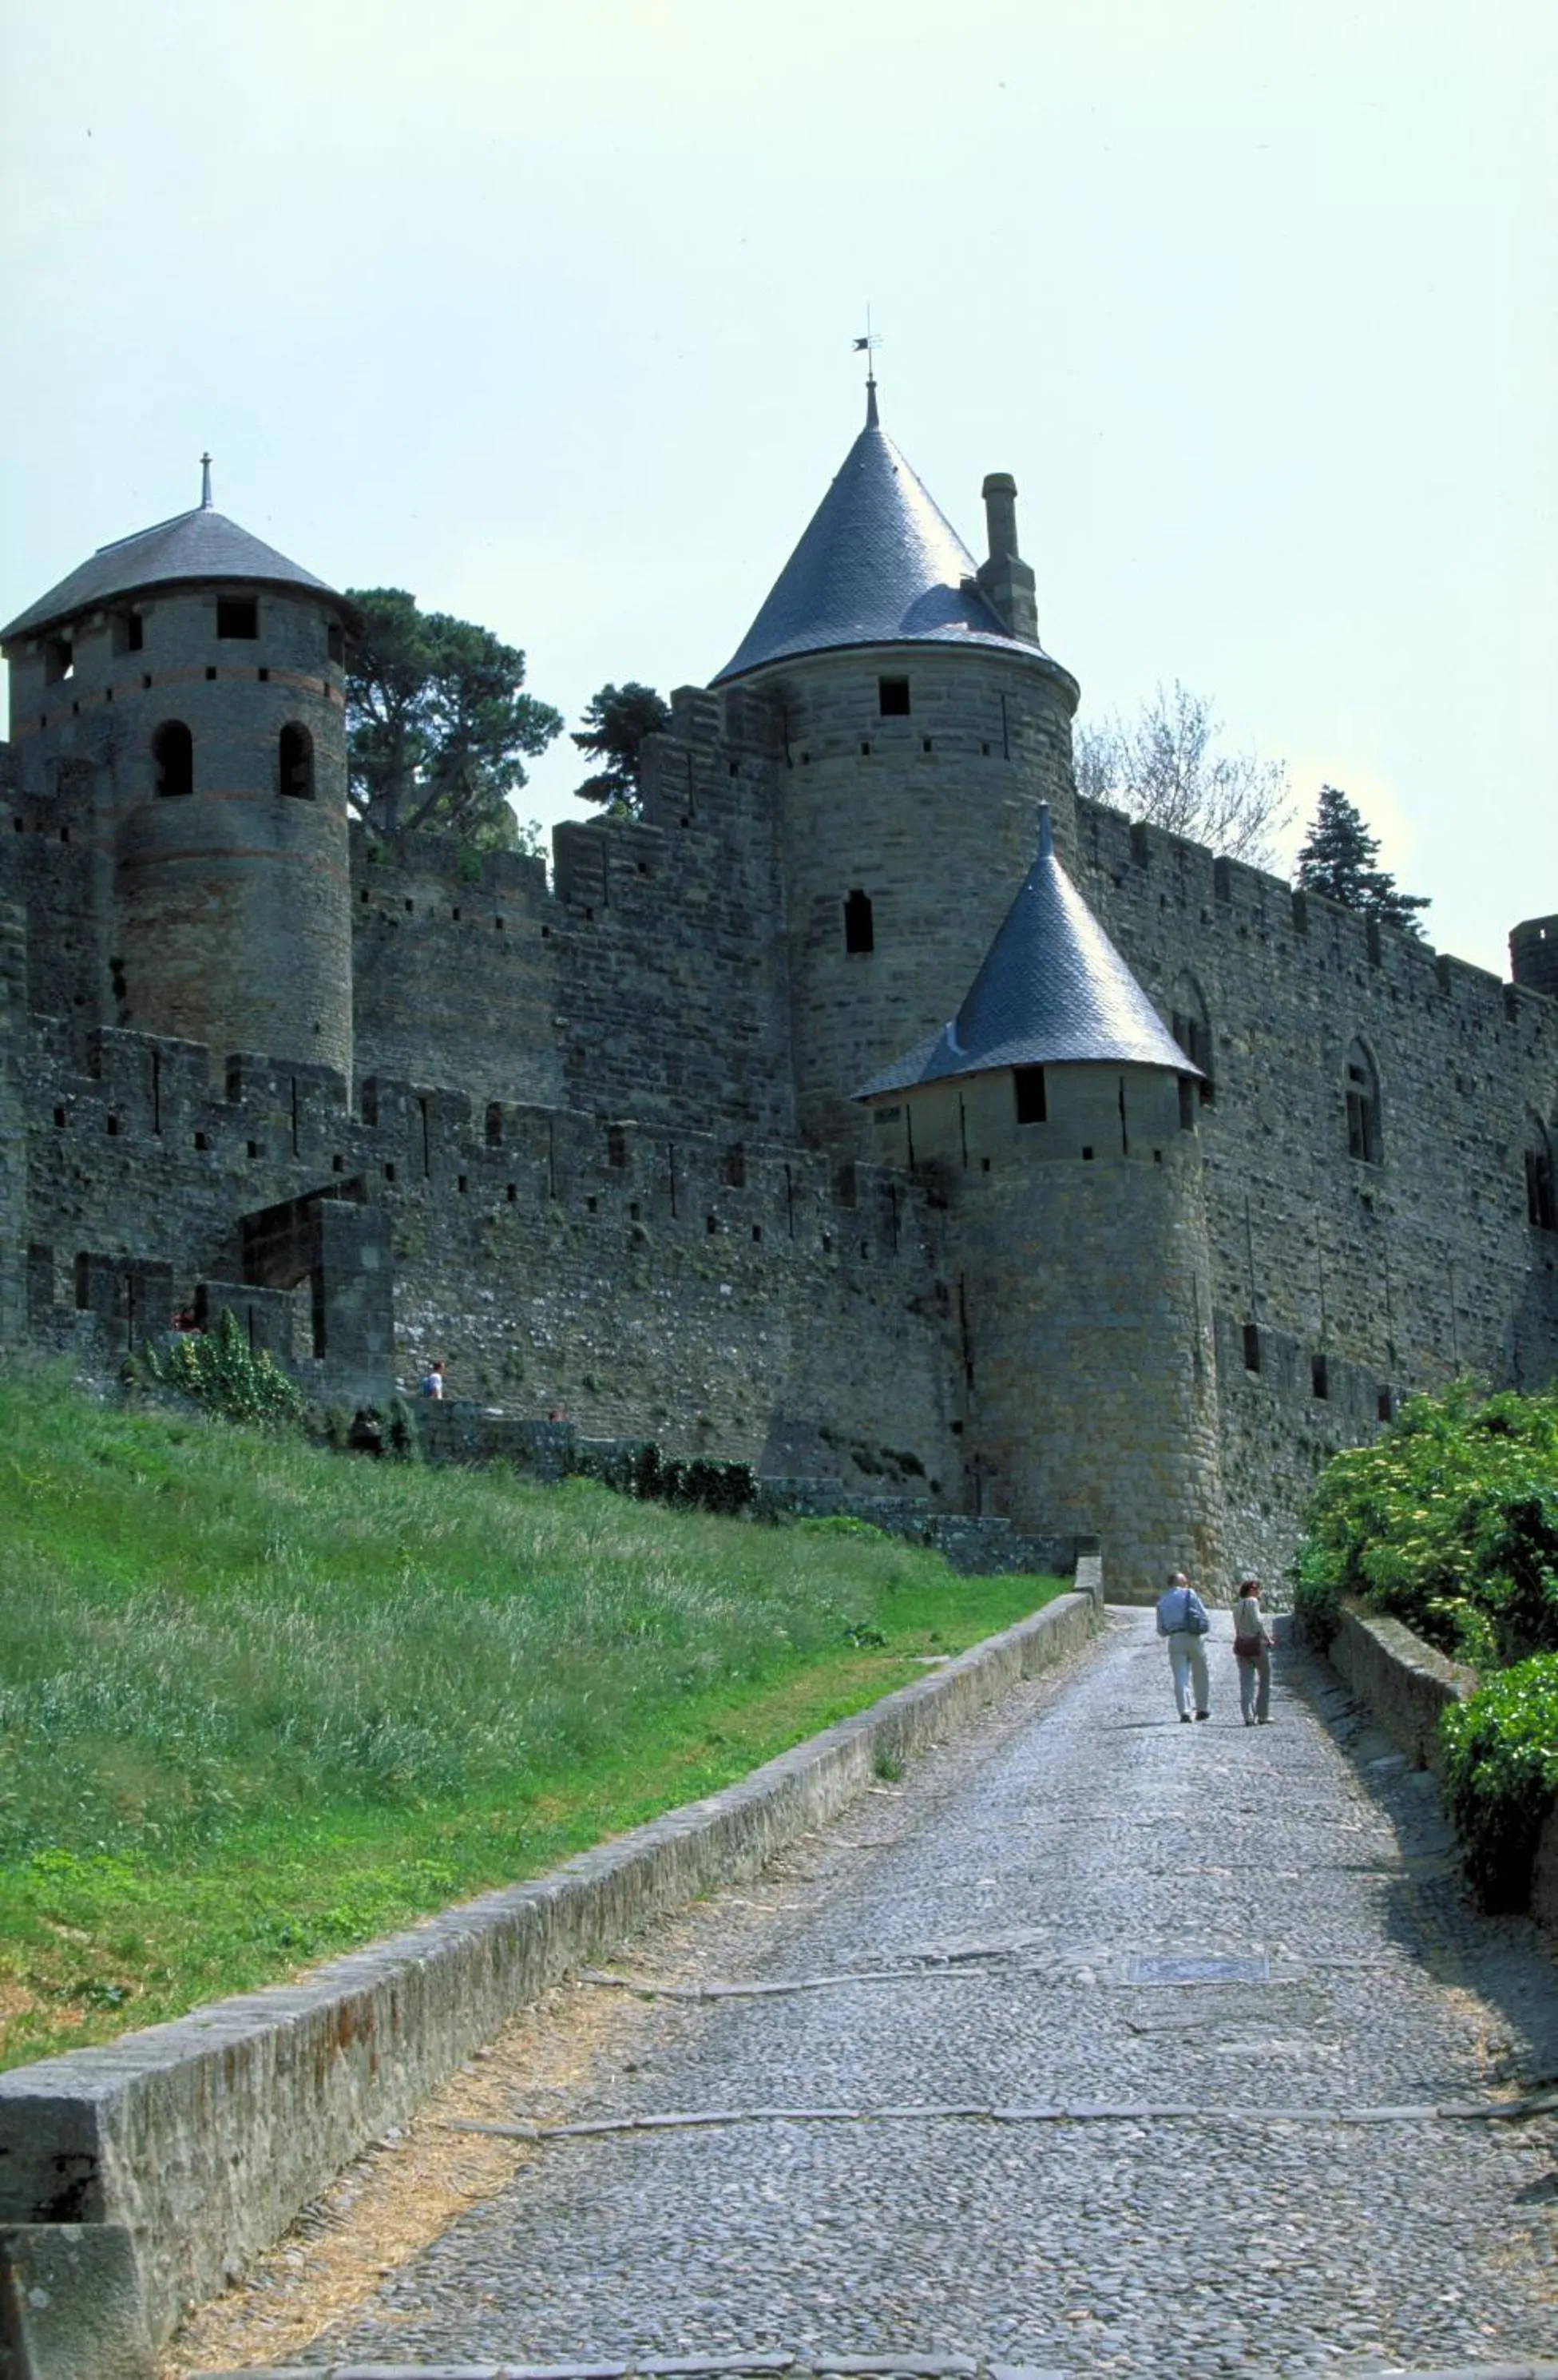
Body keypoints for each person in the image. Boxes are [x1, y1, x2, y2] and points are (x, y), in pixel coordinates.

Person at [1156, 1568, 1211, 1722]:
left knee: (1180, 1676)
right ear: (1179, 1581)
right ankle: (1202, 1709)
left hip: (1175, 1638)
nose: (1187, 1581)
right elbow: (1204, 1614)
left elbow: (1161, 1630)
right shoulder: (1189, 1593)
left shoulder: (1162, 1601)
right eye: (1184, 1579)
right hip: (1193, 1636)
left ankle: (1185, 1712)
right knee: (1201, 1674)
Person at [1231, 1573, 1275, 1725]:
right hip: (1256, 1645)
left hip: (1241, 1645)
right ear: (1250, 1590)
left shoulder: (1237, 1606)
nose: (1258, 1592)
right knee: (1265, 1678)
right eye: (1256, 1589)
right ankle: (1263, 1714)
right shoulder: (1253, 1602)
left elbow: (1237, 1627)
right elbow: (1257, 1623)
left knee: (1246, 1681)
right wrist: (1268, 1639)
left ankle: (1248, 1716)